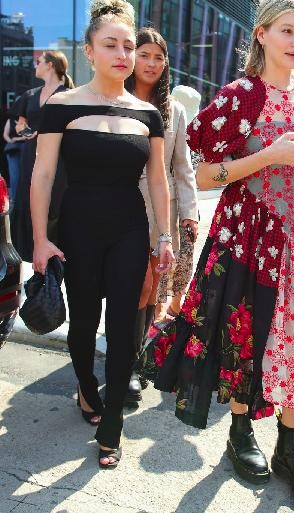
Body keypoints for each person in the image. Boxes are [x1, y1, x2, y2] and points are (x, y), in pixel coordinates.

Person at [154, 0, 294, 505]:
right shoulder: (242, 96)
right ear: (261, 34)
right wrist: (268, 156)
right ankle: (240, 433)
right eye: (287, 30)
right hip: (248, 233)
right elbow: (207, 173)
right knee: (245, 332)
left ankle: (290, 447)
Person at [30, 0, 174, 469]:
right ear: (89, 51)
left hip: (130, 228)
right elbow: (43, 175)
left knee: (122, 328)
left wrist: (165, 238)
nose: (122, 54)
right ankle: (88, 393)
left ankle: (112, 422)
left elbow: (157, 180)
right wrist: (38, 239)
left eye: (129, 46)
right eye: (110, 44)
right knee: (85, 323)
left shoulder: (147, 113)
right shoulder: (61, 106)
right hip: (78, 230)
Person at [123, 27, 198, 404]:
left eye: (158, 56)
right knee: (127, 285)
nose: (151, 63)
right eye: (144, 54)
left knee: (152, 288)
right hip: (120, 205)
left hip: (161, 210)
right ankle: (124, 358)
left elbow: (183, 168)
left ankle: (133, 362)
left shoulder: (175, 109)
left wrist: (190, 213)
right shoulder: (115, 99)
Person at [9, 50, 74, 261]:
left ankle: (58, 250)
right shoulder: (30, 95)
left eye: (39, 62)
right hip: (31, 154)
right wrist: (30, 133)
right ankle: (29, 250)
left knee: (56, 199)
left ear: (50, 65)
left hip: (59, 155)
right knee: (28, 197)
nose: (35, 65)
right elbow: (19, 125)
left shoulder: (68, 95)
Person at [3, 119, 25, 208]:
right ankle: (15, 198)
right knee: (14, 174)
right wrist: (10, 140)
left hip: (25, 147)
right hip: (12, 148)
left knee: (25, 173)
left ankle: (24, 197)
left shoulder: (25, 120)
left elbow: (29, 134)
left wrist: (17, 138)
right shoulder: (10, 121)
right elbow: (5, 134)